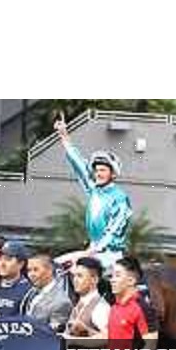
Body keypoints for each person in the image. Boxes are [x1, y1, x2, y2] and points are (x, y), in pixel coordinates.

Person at [53, 113, 132, 275]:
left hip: (111, 255)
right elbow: (79, 165)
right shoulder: (94, 190)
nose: (98, 173)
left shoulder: (120, 198)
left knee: (78, 272)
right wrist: (63, 135)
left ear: (113, 174)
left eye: (103, 170)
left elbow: (112, 232)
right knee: (54, 266)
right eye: (96, 170)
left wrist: (91, 251)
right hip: (93, 251)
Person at [22, 253, 72, 331]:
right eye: (29, 270)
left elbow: (52, 334)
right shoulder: (31, 292)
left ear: (49, 270)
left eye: (35, 270)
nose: (31, 274)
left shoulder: (61, 302)